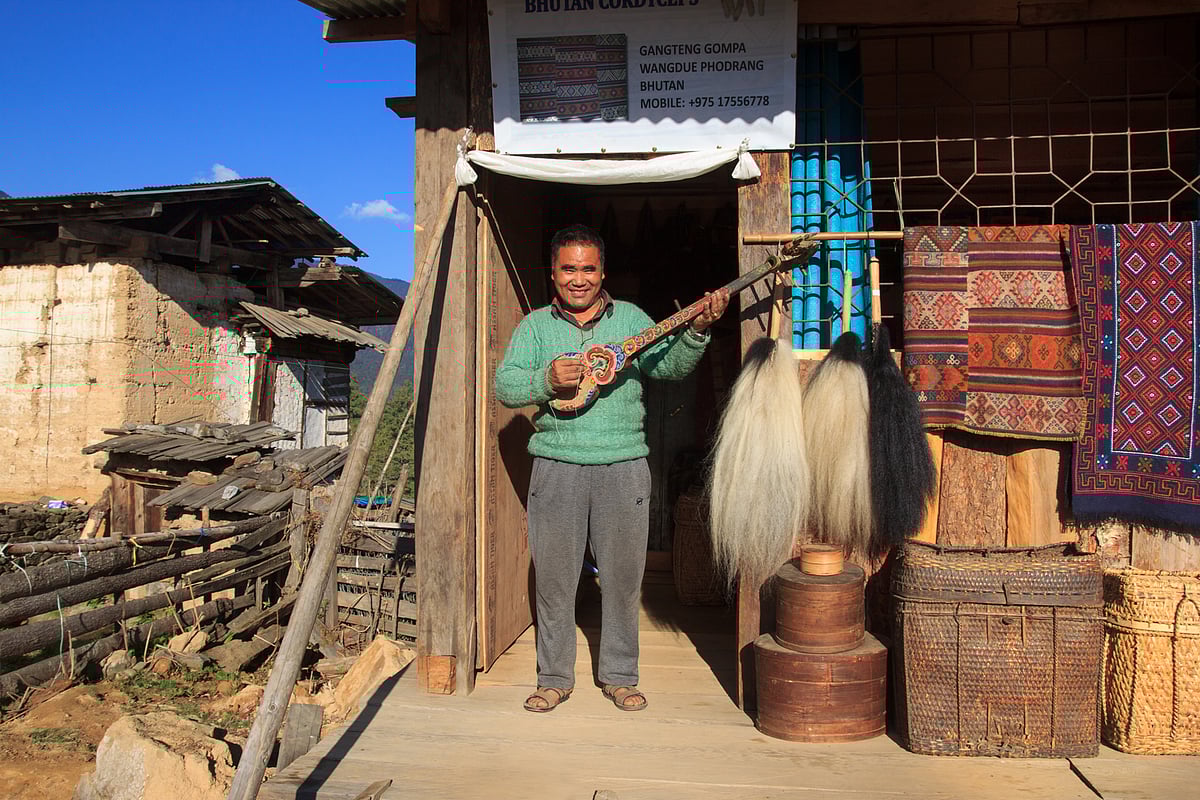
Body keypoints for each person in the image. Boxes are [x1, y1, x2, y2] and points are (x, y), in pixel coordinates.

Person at [495, 224, 728, 713]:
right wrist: (545, 378)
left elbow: (670, 366)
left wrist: (699, 330)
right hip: (557, 467)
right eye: (568, 268)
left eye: (588, 268)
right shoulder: (536, 327)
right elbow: (506, 388)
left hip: (623, 466)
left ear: (603, 272)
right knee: (555, 578)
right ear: (553, 273)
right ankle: (553, 677)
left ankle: (620, 676)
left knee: (623, 579)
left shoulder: (633, 321)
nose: (578, 278)